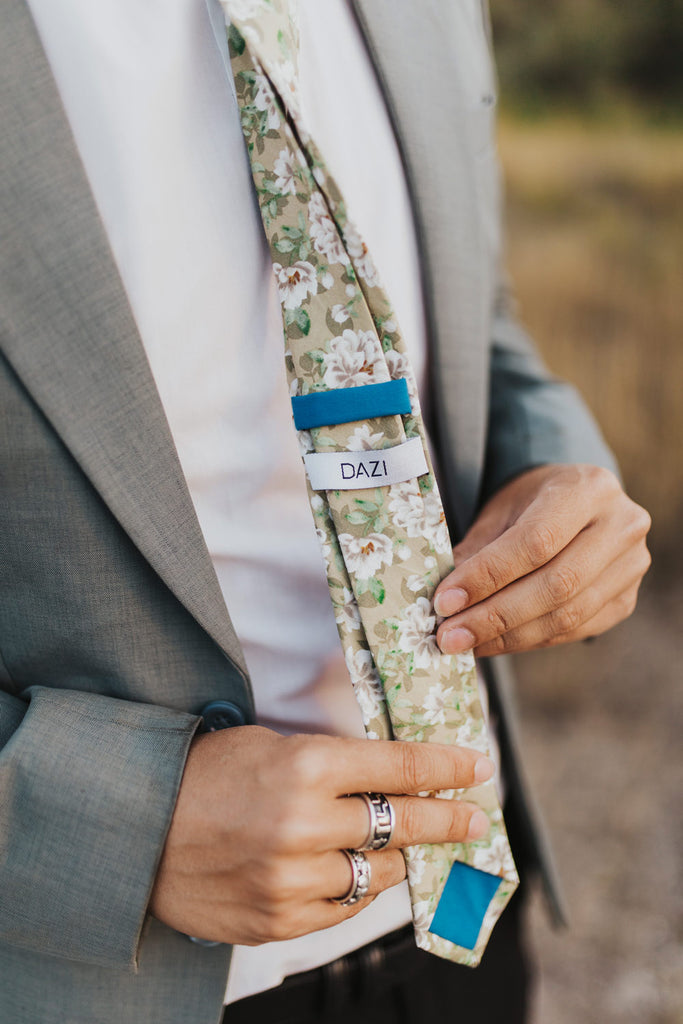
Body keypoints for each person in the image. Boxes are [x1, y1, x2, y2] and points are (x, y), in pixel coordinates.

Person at [0, 1, 651, 1022]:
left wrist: (557, 465)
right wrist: (108, 822)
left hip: (458, 930)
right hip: (83, 979)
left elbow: (471, 315)